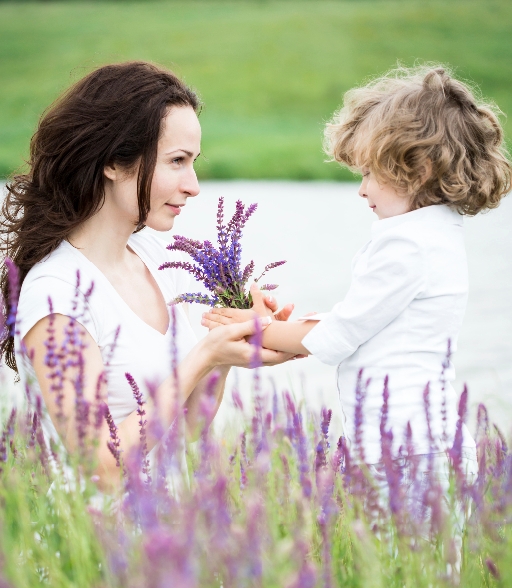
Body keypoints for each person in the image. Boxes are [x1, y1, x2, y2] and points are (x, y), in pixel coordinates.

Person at [202, 66, 512, 480]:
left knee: (413, 548)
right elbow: (368, 321)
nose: (361, 189)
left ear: (417, 170)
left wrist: (259, 329)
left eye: (369, 173)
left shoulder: (408, 244)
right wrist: (289, 328)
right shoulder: (432, 235)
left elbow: (342, 334)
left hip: (409, 455)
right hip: (415, 447)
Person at [0, 61, 291, 490]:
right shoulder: (56, 294)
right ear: (115, 162)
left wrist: (226, 351)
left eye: (193, 162)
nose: (193, 184)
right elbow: (100, 464)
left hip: (165, 541)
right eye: (177, 161)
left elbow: (189, 432)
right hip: (97, 546)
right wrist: (203, 356)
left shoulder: (154, 256)